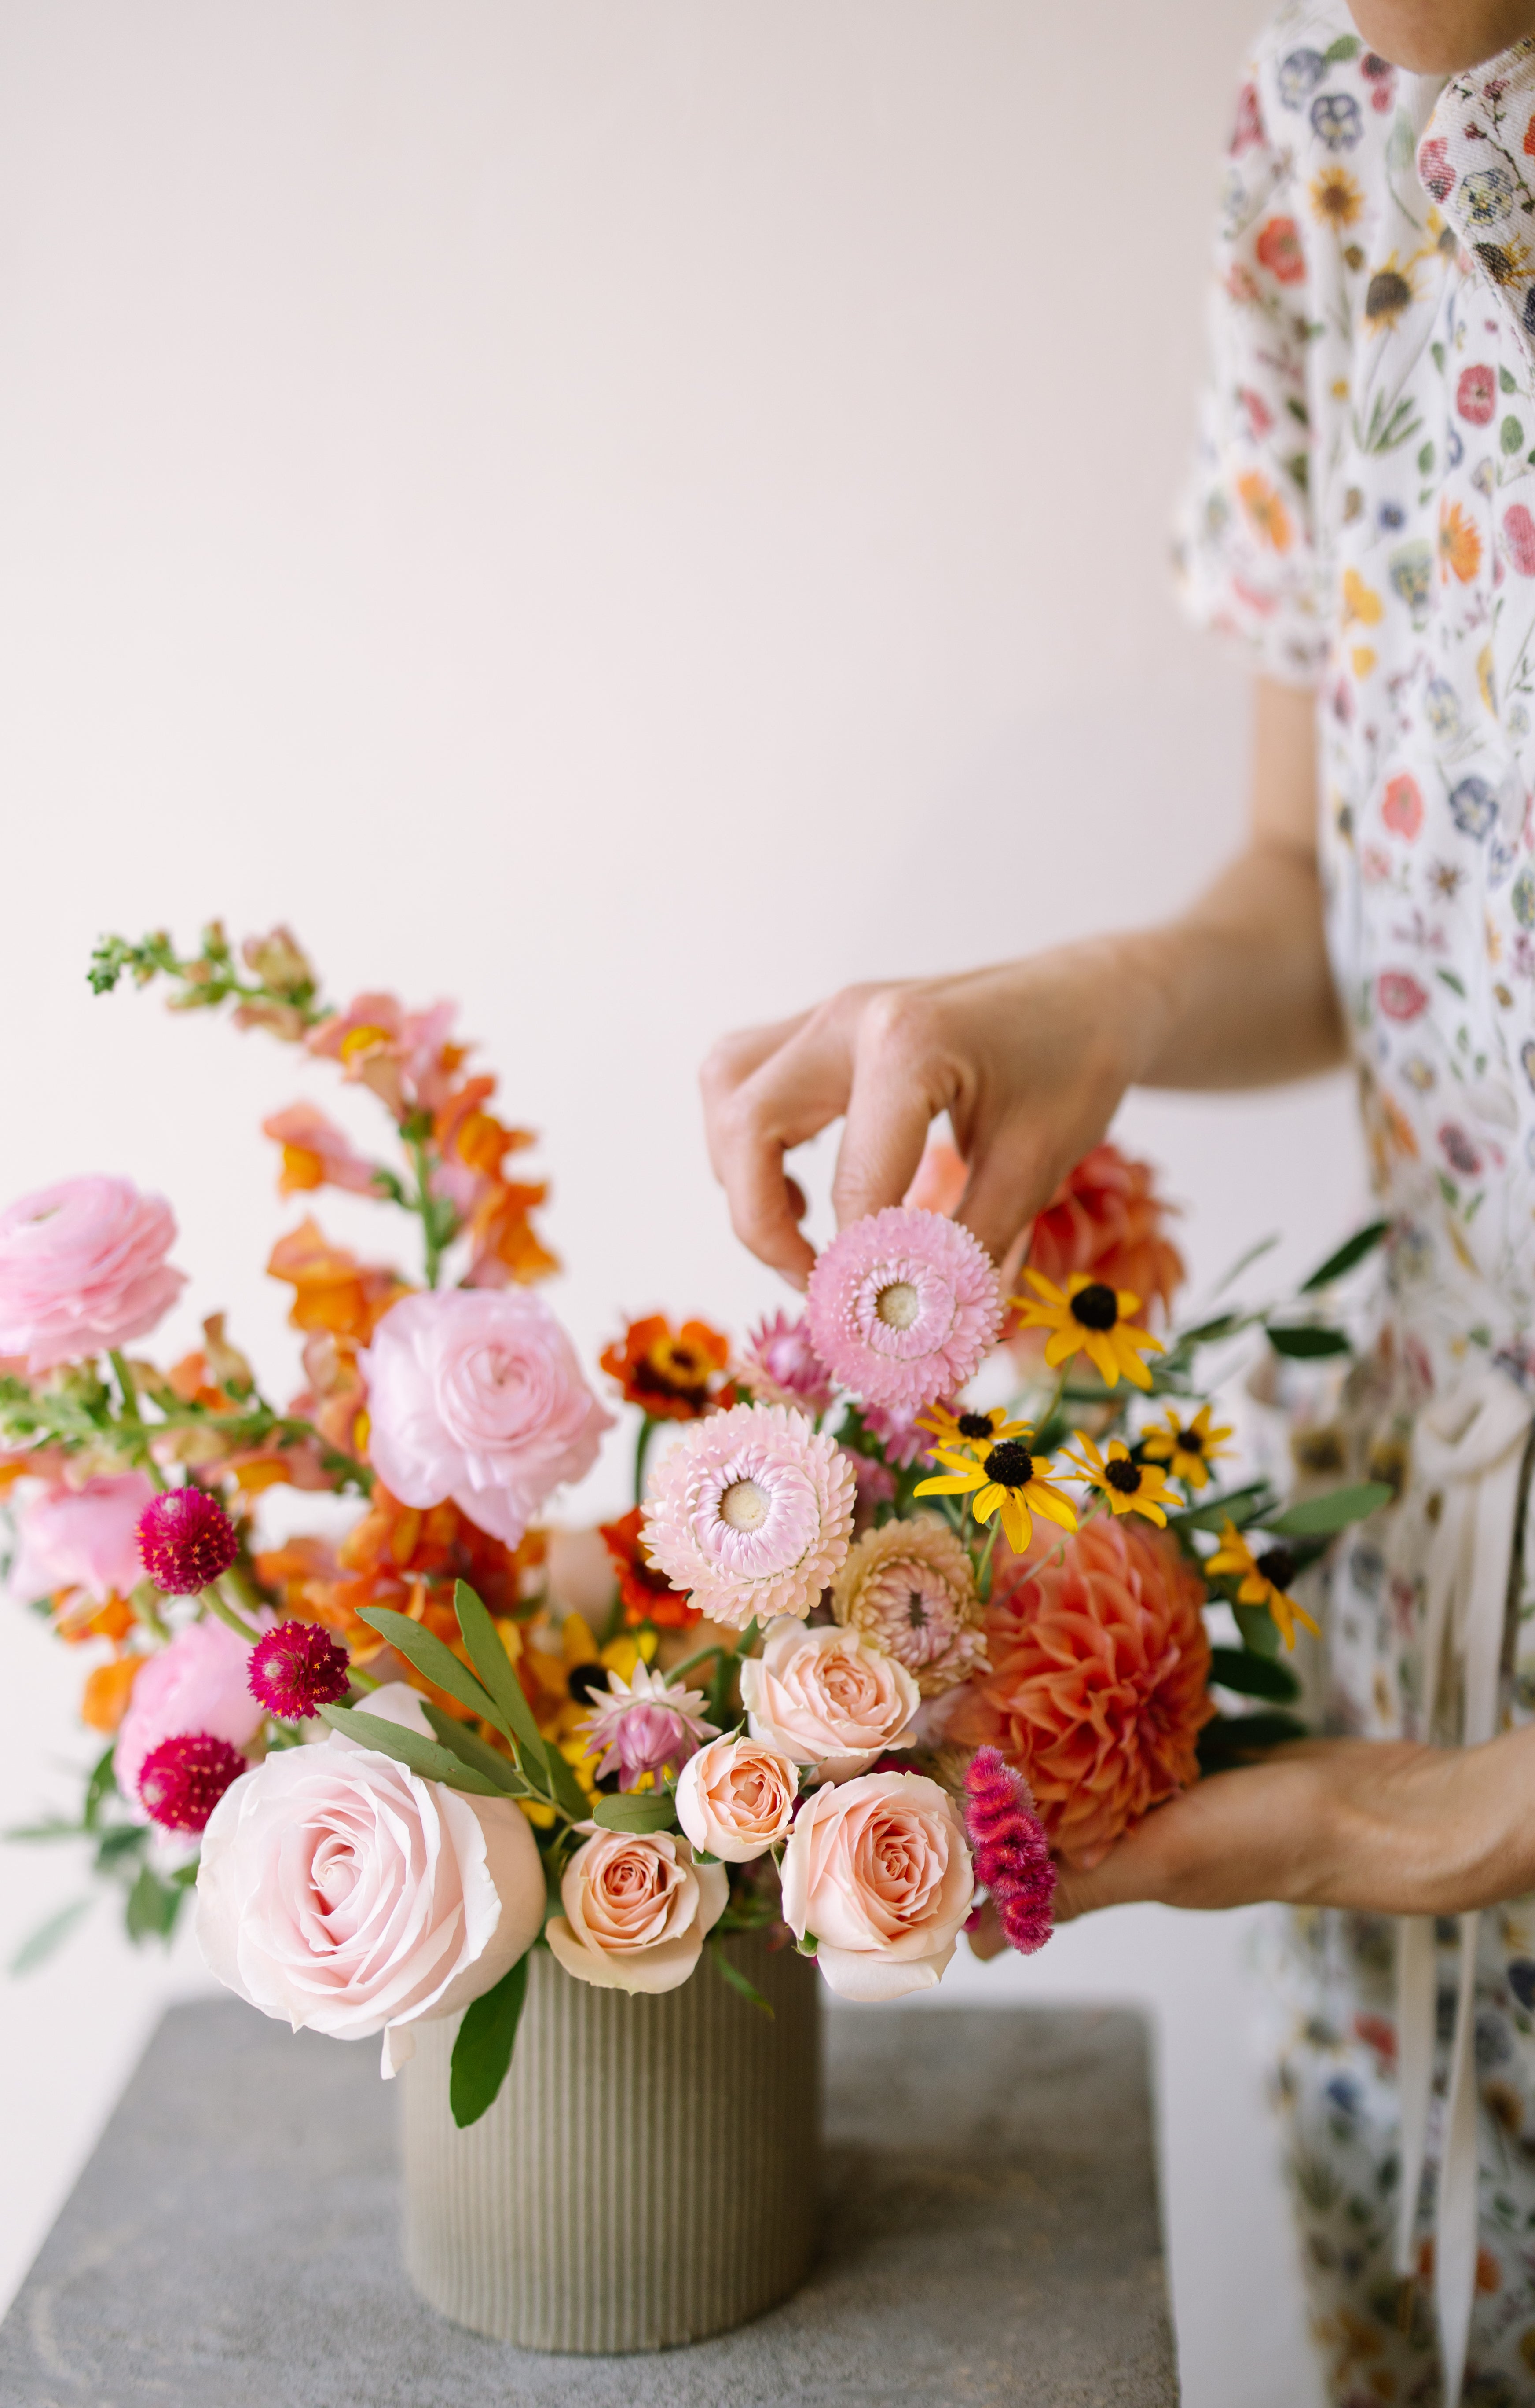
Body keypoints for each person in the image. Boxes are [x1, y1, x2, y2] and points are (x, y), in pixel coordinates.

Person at [701, 4, 1535, 2400]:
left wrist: (1459, 1819)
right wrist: (1115, 992)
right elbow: (1335, 885)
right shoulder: (1325, 123)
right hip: (1430, 1591)